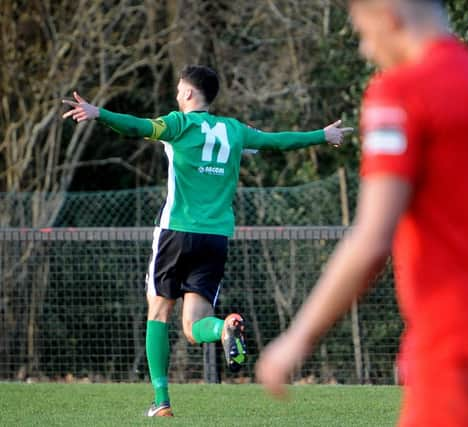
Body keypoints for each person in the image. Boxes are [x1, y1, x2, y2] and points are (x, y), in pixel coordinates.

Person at [256, 1, 468, 426]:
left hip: (457, 343)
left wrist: (297, 338)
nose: (366, 50)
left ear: (391, 17)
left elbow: (371, 240)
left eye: (364, 33)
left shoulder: (402, 91)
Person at [61, 65, 352, 417]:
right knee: (195, 327)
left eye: (179, 90)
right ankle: (224, 327)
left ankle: (162, 400)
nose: (176, 95)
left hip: (177, 231)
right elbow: (277, 141)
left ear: (187, 94)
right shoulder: (234, 130)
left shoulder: (177, 124)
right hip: (215, 238)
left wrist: (98, 113)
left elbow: (137, 126)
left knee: (159, 310)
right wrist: (321, 135)